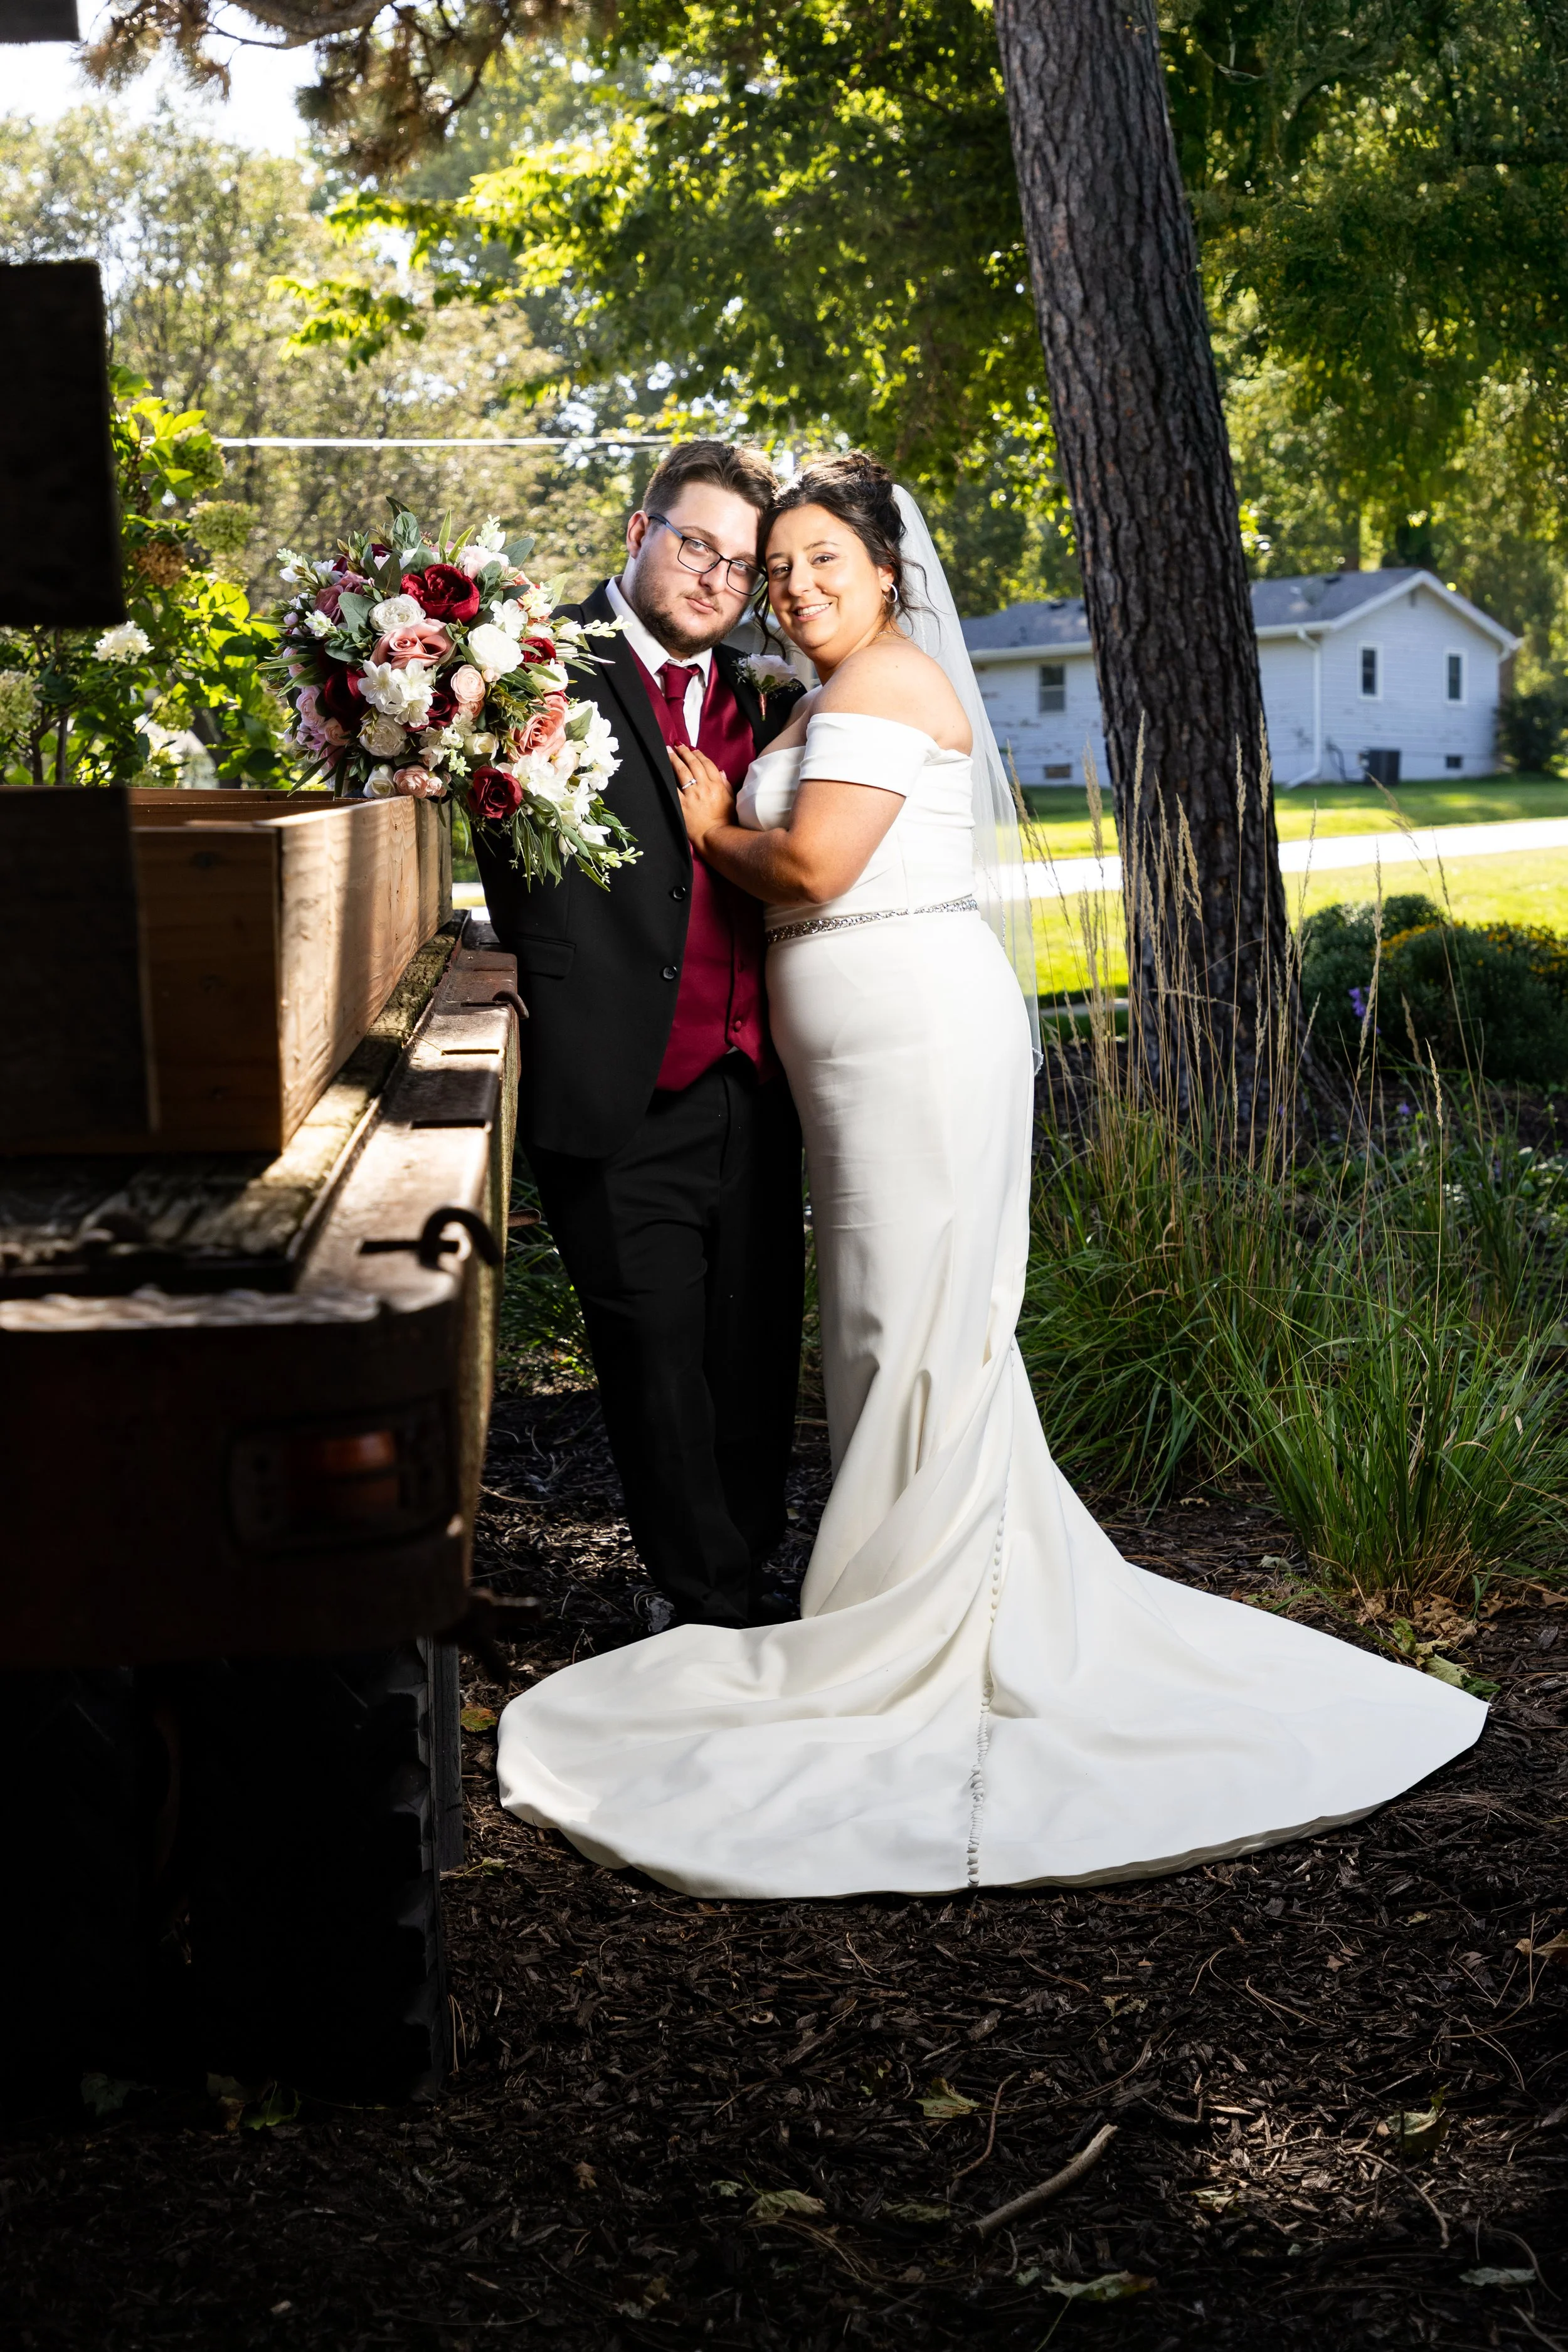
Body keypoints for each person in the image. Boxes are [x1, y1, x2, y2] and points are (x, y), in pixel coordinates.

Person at [495, 451, 1485, 1899]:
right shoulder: (809, 696)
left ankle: (919, 1615)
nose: (791, 586)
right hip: (837, 1070)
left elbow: (817, 870)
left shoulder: (887, 683)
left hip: (910, 1049)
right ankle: (883, 1583)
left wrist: (716, 823)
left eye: (820, 559)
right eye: (778, 568)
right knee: (882, 1328)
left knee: (912, 1326)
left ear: (888, 572)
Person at [474, 442, 806, 1631]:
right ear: (638, 531)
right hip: (613, 1076)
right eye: (697, 543)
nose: (718, 577)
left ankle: (749, 1566)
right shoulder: (524, 675)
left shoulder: (768, 698)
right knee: (656, 1361)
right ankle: (709, 1610)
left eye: (742, 563)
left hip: (756, 1086)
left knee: (753, 1351)